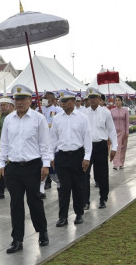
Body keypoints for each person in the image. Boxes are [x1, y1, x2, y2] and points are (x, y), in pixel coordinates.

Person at [0, 84, 50, 253]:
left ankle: (42, 232)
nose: (19, 102)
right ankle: (17, 239)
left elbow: (45, 144)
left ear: (30, 100)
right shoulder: (9, 119)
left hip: (32, 166)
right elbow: (4, 143)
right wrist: (1, 163)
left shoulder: (38, 119)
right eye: (17, 99)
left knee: (34, 201)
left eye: (22, 99)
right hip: (13, 167)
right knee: (15, 204)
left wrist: (46, 164)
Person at [50, 90, 92, 227]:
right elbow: (53, 139)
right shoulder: (57, 119)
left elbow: (87, 139)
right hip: (62, 156)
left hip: (77, 155)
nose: (63, 104)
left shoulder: (82, 118)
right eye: (62, 101)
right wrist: (51, 156)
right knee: (63, 188)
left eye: (66, 101)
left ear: (73, 102)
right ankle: (63, 217)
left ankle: (79, 213)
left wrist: (86, 157)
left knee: (78, 186)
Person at [83, 87, 118, 210]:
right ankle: (85, 201)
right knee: (84, 174)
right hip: (87, 147)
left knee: (102, 173)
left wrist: (114, 147)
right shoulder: (84, 113)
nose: (91, 100)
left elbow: (111, 130)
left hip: (101, 145)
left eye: (94, 97)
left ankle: (103, 198)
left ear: (99, 99)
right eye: (90, 98)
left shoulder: (105, 112)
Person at [37, 91, 63, 197]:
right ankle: (41, 189)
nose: (43, 100)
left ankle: (60, 186)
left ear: (52, 100)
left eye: (46, 98)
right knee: (41, 167)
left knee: (55, 168)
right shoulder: (39, 111)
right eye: (43, 98)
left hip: (54, 144)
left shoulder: (59, 111)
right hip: (41, 144)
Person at [111, 96, 129, 170]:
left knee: (123, 148)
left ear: (121, 101)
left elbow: (127, 122)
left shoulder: (125, 110)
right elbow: (110, 122)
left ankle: (121, 163)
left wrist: (127, 132)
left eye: (118, 100)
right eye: (116, 100)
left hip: (123, 131)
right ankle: (115, 164)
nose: (117, 102)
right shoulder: (112, 110)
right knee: (116, 147)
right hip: (115, 132)